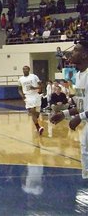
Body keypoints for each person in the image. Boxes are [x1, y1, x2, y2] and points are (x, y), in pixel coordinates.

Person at [50, 37, 88, 179]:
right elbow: (80, 104)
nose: (72, 53)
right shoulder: (78, 75)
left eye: (76, 50)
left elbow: (81, 112)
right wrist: (64, 114)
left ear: (85, 55)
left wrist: (80, 117)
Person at [18, 66, 44, 135]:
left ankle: (36, 122)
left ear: (29, 70)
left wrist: (34, 87)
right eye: (23, 69)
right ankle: (38, 127)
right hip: (28, 96)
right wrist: (22, 95)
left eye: (26, 69)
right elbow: (19, 89)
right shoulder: (20, 79)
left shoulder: (34, 76)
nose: (25, 70)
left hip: (36, 95)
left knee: (37, 114)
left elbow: (41, 86)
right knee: (32, 111)